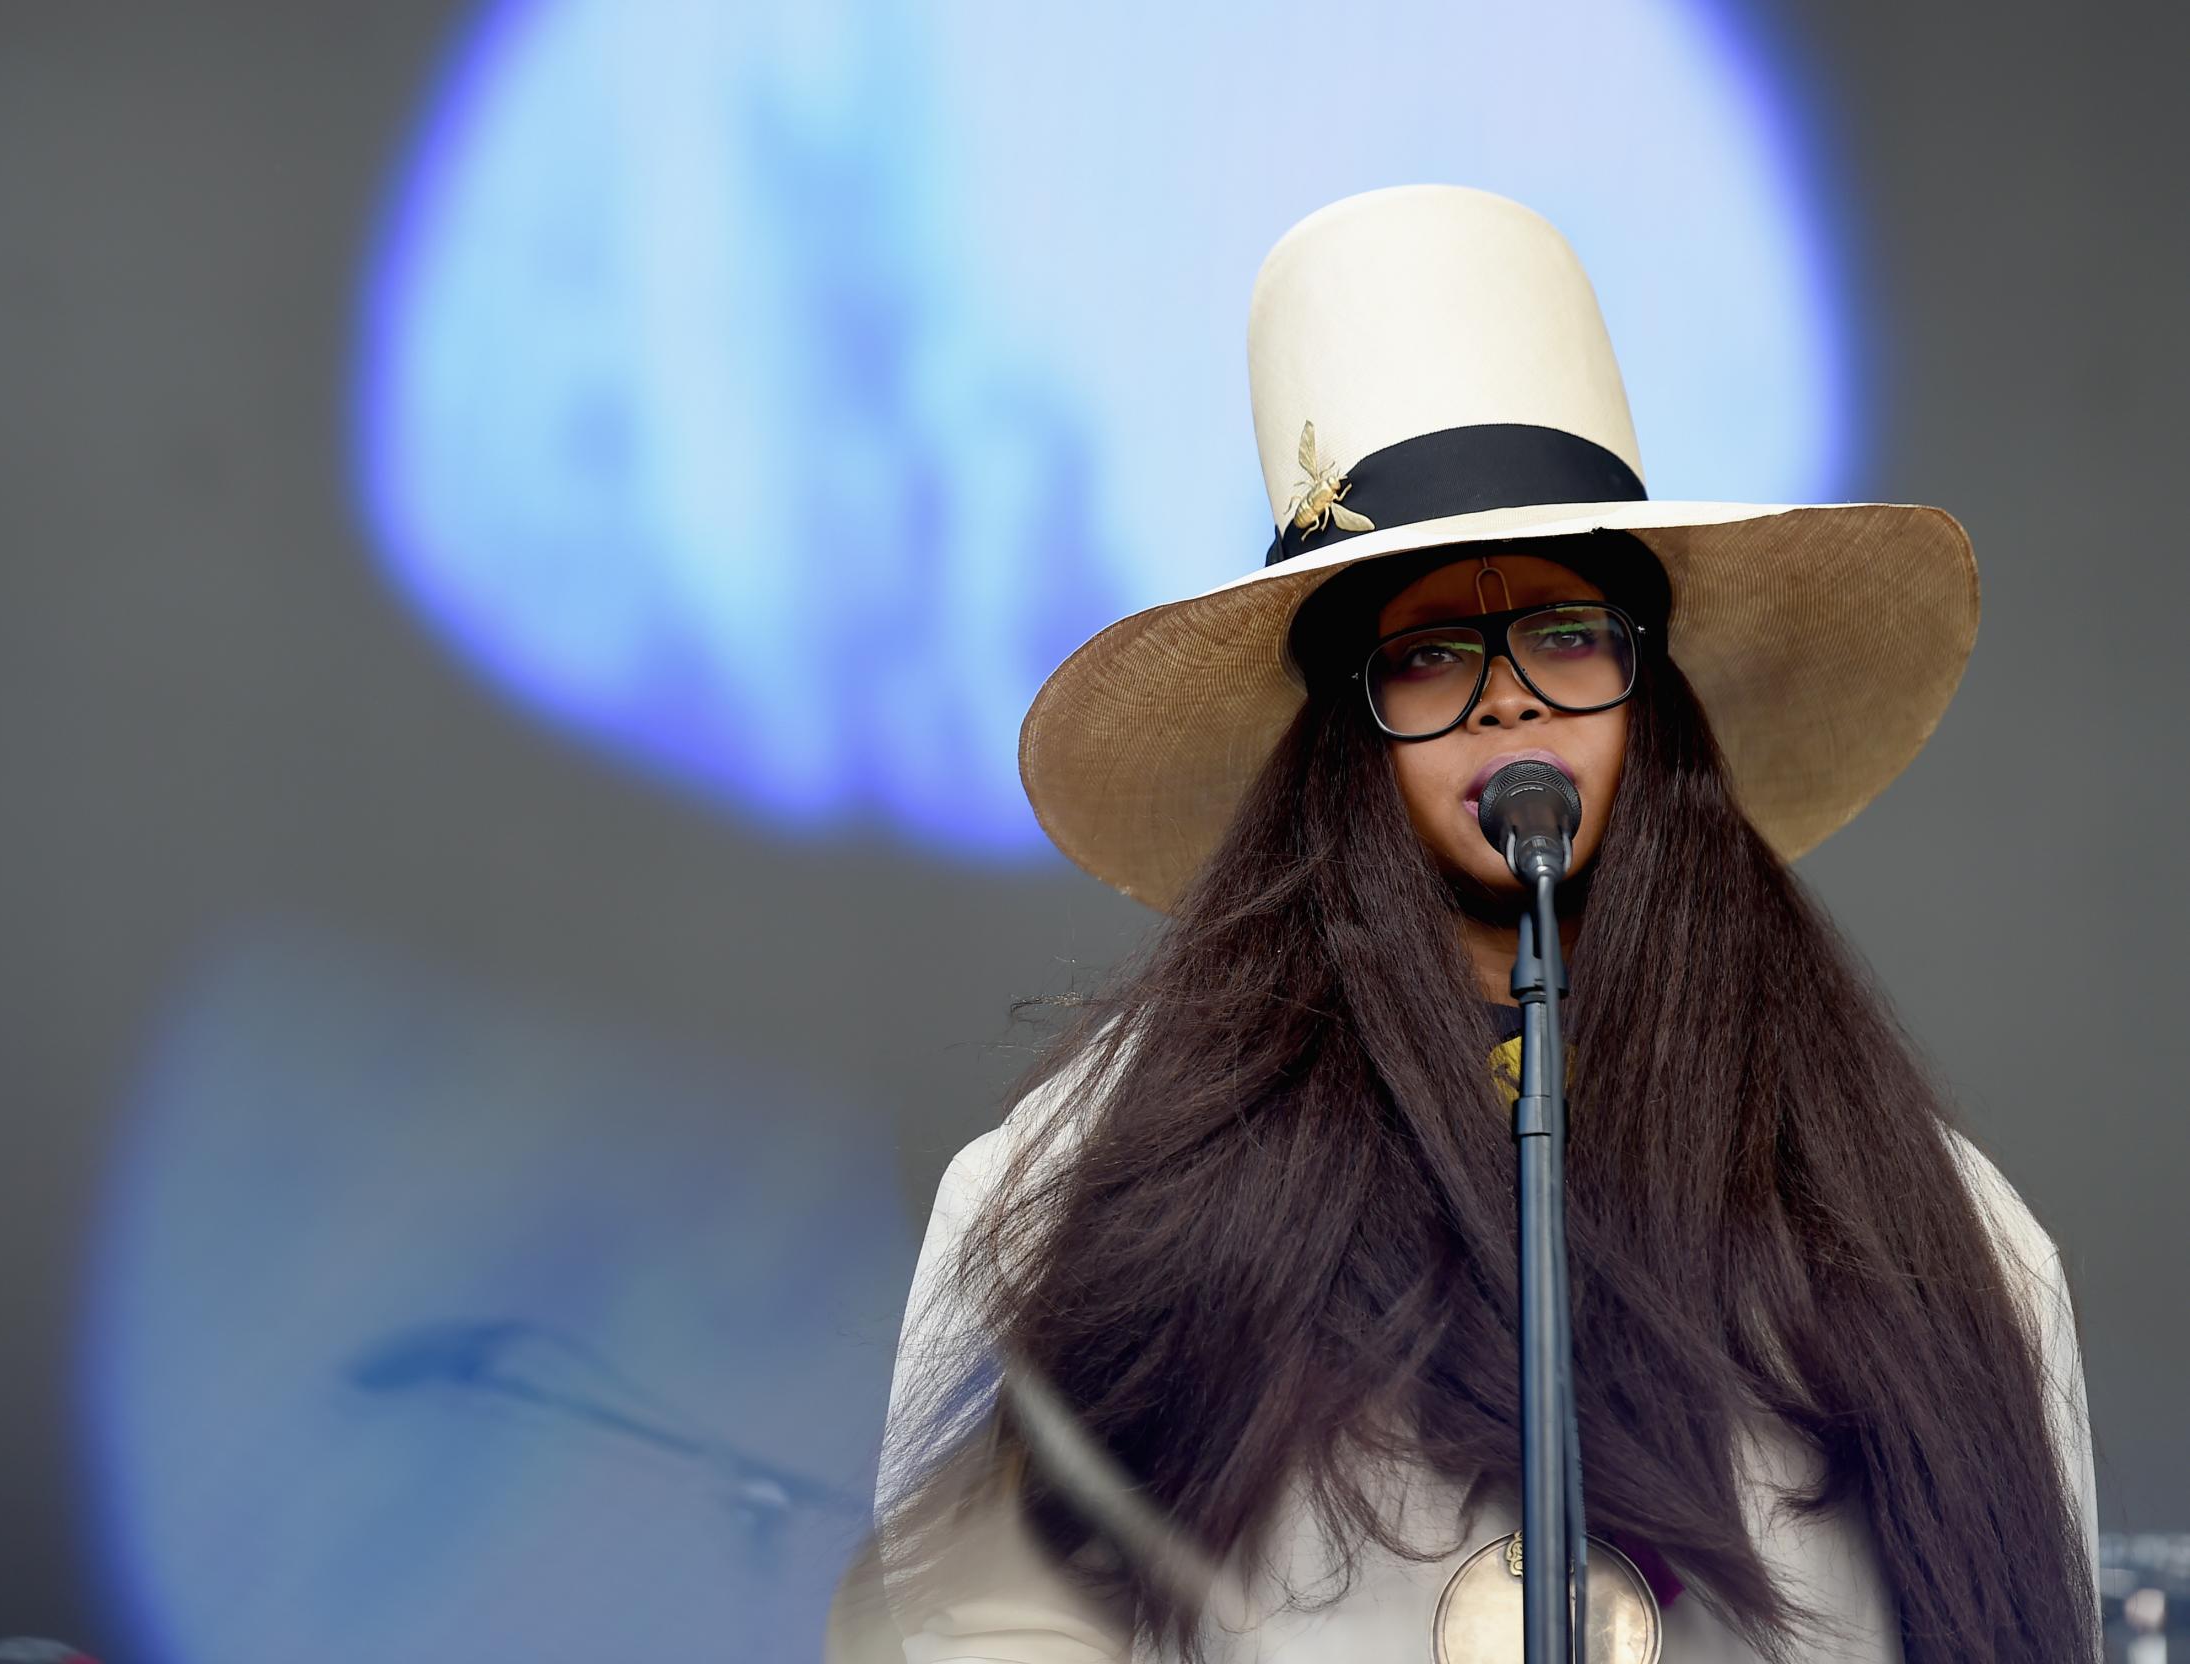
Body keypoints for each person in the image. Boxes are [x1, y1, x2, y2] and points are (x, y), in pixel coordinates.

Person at [852, 187, 2100, 1664]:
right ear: (1337, 738)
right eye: (1431, 652)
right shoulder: (1075, 1198)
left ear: (1659, 705)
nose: (1508, 697)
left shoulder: (1944, 1242)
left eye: (1569, 636)